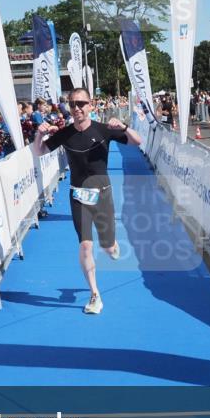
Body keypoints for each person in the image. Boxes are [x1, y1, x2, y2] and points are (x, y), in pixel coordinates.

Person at [32, 87, 141, 315]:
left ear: (90, 105)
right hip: (78, 195)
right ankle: (94, 294)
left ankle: (112, 244)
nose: (77, 108)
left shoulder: (104, 130)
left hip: (102, 194)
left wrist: (124, 127)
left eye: (81, 103)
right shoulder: (65, 133)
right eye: (73, 104)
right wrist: (39, 134)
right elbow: (39, 152)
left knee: (108, 247)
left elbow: (137, 142)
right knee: (85, 245)